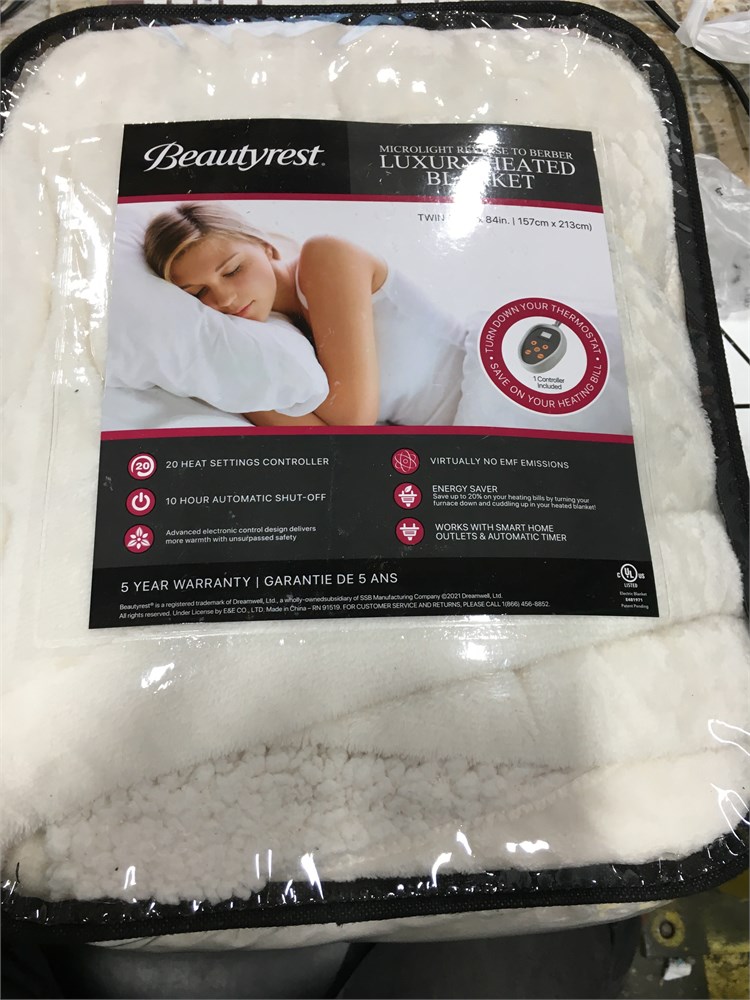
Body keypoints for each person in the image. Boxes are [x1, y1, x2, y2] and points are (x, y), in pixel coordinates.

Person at [143, 203, 465, 427]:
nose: (224, 298)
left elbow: (352, 423)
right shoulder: (273, 333)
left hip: (480, 389)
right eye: (198, 293)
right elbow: (329, 439)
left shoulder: (326, 257)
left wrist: (232, 387)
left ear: (265, 246)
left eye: (233, 270)